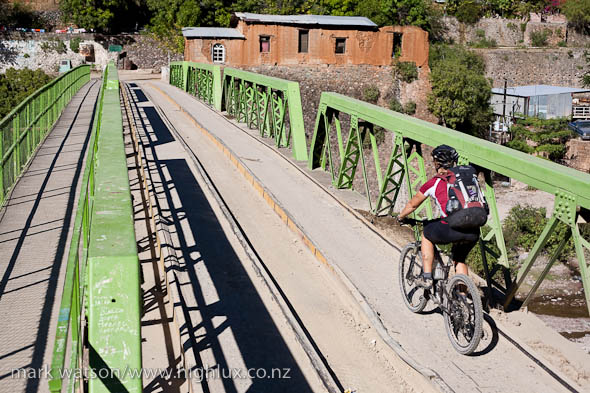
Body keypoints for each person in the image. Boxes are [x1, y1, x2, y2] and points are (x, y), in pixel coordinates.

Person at [396, 145, 480, 290]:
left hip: (452, 228)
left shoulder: (434, 182)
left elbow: (413, 204)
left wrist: (400, 217)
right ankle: (463, 298)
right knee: (459, 259)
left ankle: (427, 277)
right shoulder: (466, 179)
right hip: (473, 229)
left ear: (437, 163)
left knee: (427, 233)